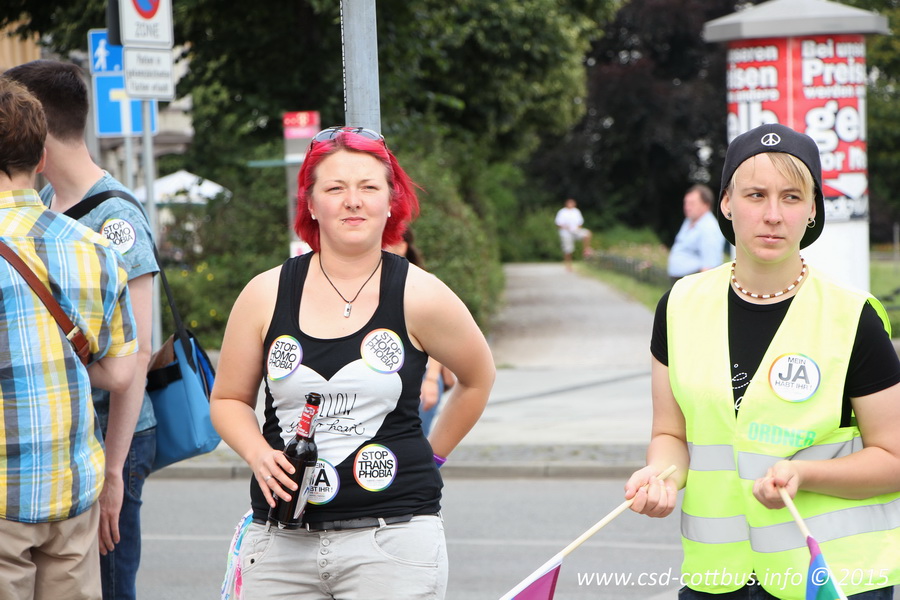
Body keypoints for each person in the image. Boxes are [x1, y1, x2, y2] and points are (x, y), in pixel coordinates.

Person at [211, 126, 495, 599]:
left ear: (391, 201)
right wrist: (258, 454)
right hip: (280, 544)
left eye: (368, 187)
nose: (353, 201)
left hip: (394, 542)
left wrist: (432, 456)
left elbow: (478, 378)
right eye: (335, 188)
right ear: (310, 203)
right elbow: (227, 399)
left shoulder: (421, 294)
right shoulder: (264, 293)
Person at [625, 123, 900, 599]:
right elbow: (670, 434)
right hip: (716, 578)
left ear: (812, 210)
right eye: (756, 195)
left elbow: (893, 458)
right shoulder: (679, 306)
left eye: (791, 197)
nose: (773, 215)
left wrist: (807, 475)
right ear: (727, 203)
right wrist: (660, 476)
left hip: (832, 578)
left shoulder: (851, 316)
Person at [4, 59, 160, 600]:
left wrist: (113, 473)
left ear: (36, 128)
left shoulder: (114, 220)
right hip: (61, 436)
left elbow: (136, 356)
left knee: (112, 583)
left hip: (110, 437)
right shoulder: (48, 205)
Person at [385, 228, 457, 435]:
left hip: (421, 373)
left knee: (417, 437)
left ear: (403, 246)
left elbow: (437, 337)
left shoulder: (424, 282)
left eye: (389, 242)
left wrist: (431, 380)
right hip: (387, 373)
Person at [666, 183, 725, 284]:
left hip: (693, 283)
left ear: (706, 205)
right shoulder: (689, 221)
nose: (687, 207)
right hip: (680, 281)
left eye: (692, 203)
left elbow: (710, 266)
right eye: (686, 203)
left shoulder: (709, 228)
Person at [554, 197, 593, 271]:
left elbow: (580, 223)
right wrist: (567, 227)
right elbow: (558, 224)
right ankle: (568, 265)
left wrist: (577, 229)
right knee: (568, 250)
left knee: (587, 234)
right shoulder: (562, 212)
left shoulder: (576, 211)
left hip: (575, 231)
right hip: (566, 232)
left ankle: (586, 250)